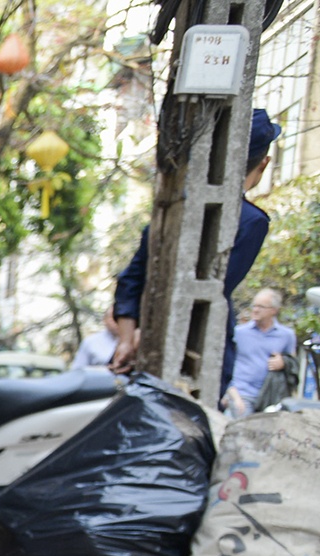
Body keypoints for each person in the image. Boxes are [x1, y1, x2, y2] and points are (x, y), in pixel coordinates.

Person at [107, 110, 281, 385]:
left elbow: (132, 278)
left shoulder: (174, 208)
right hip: (199, 355)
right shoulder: (251, 222)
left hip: (141, 353)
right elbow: (214, 289)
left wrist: (129, 340)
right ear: (264, 163)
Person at [226, 288, 299, 413]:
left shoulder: (286, 335)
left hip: (271, 397)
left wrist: (283, 363)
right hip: (242, 395)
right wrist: (230, 392)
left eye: (261, 306)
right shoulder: (239, 333)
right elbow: (226, 365)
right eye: (254, 306)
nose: (255, 310)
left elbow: (293, 366)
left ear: (273, 310)